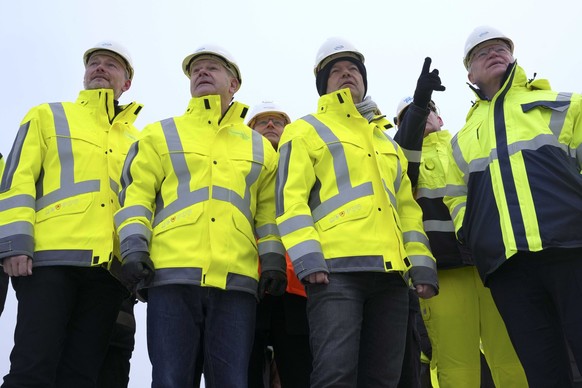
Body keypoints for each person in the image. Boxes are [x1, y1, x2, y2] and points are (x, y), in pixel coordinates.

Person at [114, 44, 287, 388]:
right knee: (171, 380)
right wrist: (133, 250)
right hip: (171, 278)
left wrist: (272, 260)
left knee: (232, 383)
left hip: (236, 282)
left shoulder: (258, 147)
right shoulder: (160, 134)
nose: (202, 73)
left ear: (234, 83)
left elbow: (268, 213)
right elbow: (136, 197)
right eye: (196, 70)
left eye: (212, 68)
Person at [275, 37, 438, 388]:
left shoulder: (384, 141)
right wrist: (308, 260)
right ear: (323, 85)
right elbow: (290, 201)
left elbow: (406, 210)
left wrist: (421, 263)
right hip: (335, 273)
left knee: (383, 380)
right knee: (336, 375)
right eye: (336, 71)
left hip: (392, 277)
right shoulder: (304, 130)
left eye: (353, 70)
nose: (347, 75)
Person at [444, 25, 582, 388]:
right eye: (481, 51)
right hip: (509, 270)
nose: (494, 52)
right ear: (469, 73)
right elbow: (456, 195)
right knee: (543, 373)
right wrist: (470, 233)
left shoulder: (563, 104)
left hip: (571, 250)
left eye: (500, 47)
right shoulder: (461, 139)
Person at [0, 41, 141, 388]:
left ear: (126, 83)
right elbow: (16, 181)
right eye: (93, 63)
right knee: (32, 368)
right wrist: (15, 243)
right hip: (48, 263)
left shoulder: (138, 141)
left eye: (110, 64)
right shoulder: (47, 115)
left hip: (108, 273)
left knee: (81, 377)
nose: (99, 68)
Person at [394, 57, 527, 388]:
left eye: (428, 109)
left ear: (441, 116)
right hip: (442, 272)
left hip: (490, 264)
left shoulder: (465, 143)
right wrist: (418, 103)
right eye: (411, 115)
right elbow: (405, 147)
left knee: (512, 357)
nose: (423, 114)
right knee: (456, 367)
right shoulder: (397, 158)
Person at [246, 101, 312, 388]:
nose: (271, 125)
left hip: (296, 285)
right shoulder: (240, 168)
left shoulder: (306, 166)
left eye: (277, 121)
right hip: (248, 284)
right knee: (246, 372)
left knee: (299, 372)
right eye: (263, 122)